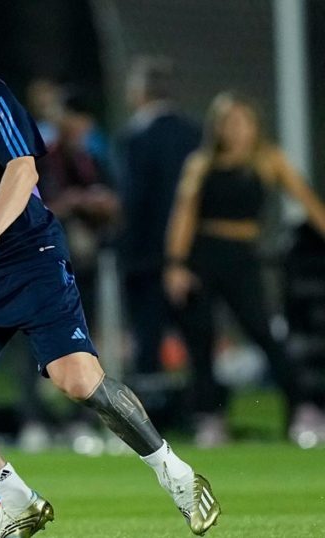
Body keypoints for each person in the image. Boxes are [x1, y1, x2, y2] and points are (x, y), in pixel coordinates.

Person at [0, 1, 220, 536]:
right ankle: (19, 501)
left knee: (77, 381)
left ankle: (177, 475)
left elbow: (22, 167)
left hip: (28, 259)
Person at [164, 91, 325, 447]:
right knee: (202, 339)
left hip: (242, 257)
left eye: (242, 122)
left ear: (255, 126)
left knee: (263, 331)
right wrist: (175, 264)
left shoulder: (268, 160)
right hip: (203, 257)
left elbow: (307, 200)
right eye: (228, 122)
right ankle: (210, 418)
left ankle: (303, 411)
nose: (236, 129)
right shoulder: (201, 163)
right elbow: (184, 215)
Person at [116, 57, 201, 394]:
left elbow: (133, 202)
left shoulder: (136, 137)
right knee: (197, 338)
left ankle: (152, 411)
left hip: (145, 258)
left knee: (147, 339)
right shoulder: (195, 133)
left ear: (140, 92)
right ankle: (203, 408)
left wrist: (122, 245)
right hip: (192, 255)